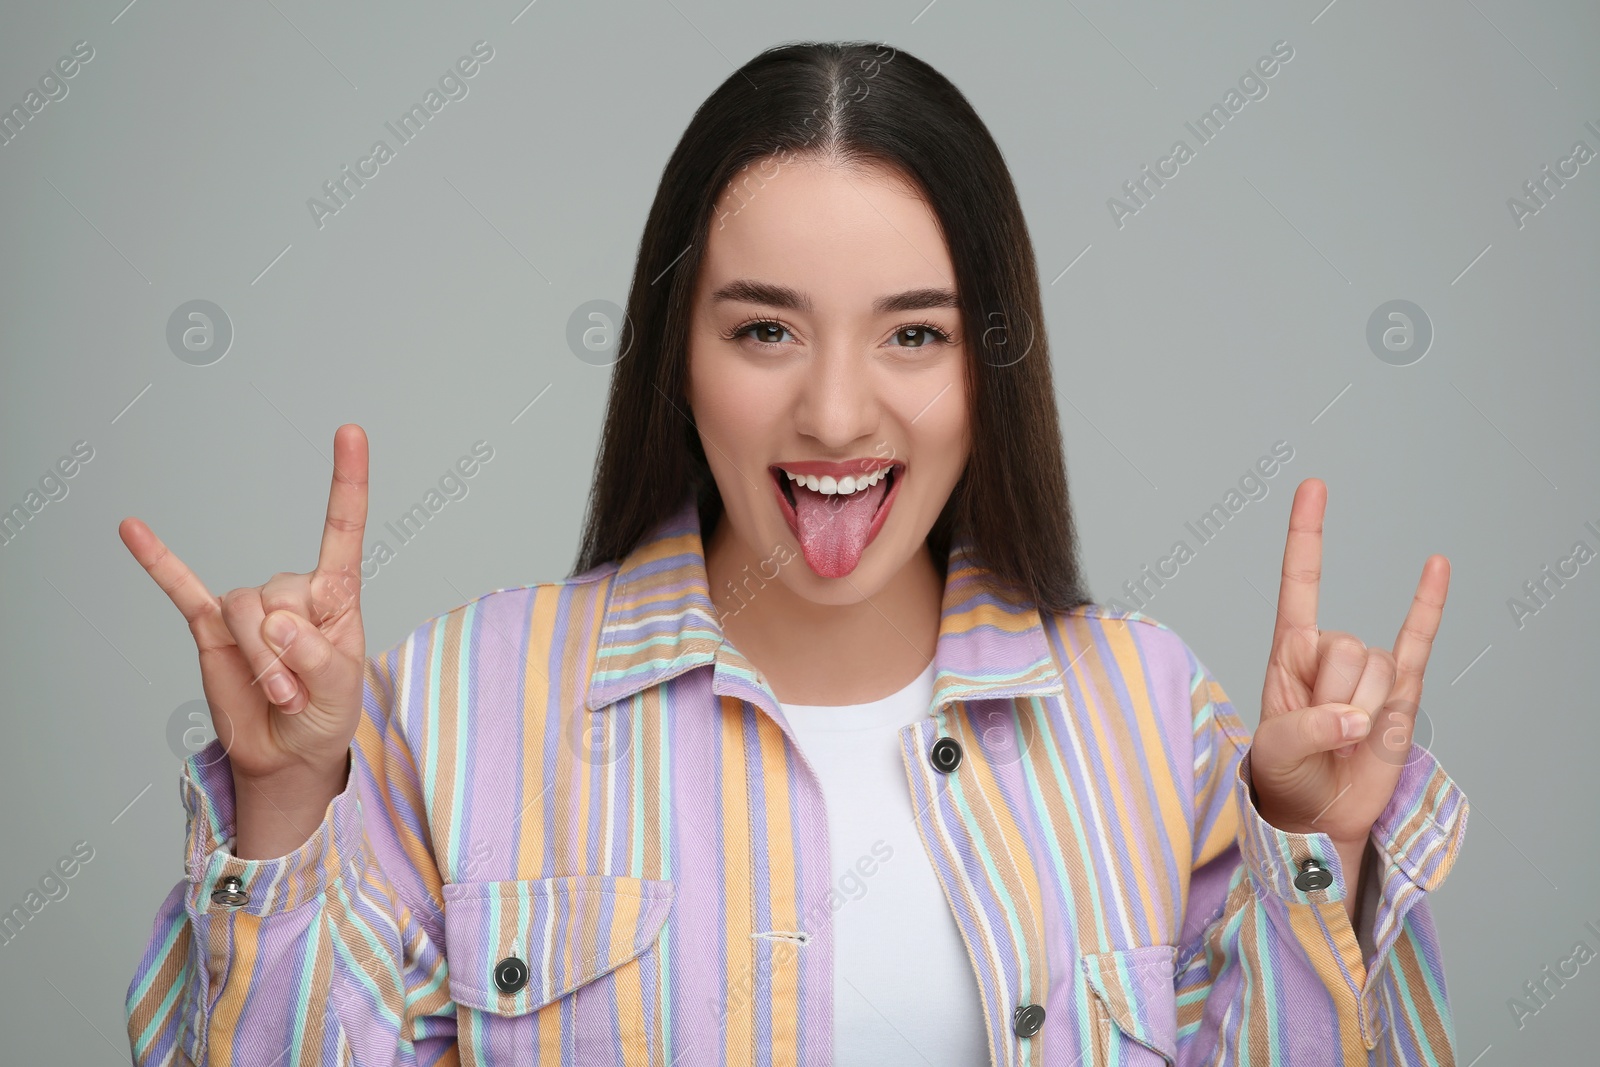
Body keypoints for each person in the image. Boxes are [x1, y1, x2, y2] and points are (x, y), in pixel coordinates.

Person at [120, 40, 1466, 1066]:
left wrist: (1318, 853)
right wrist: (283, 806)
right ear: (677, 359)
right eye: (765, 331)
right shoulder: (465, 697)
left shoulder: (1153, 714)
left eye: (914, 334)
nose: (834, 412)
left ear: (992, 368)